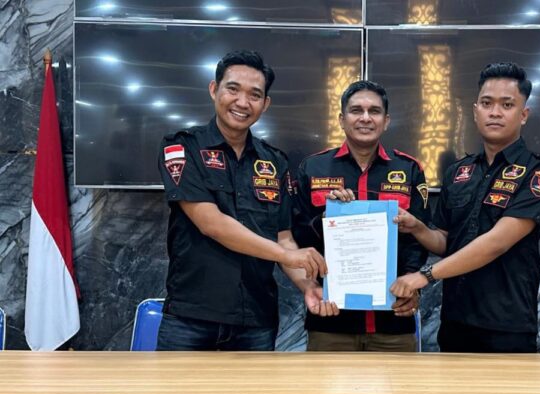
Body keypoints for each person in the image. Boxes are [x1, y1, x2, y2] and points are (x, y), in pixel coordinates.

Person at [156, 50, 328, 351]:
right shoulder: (183, 147)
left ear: (265, 104)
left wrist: (308, 286)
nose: (242, 102)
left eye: (254, 95)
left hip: (256, 321)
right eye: (233, 89)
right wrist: (285, 255)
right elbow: (211, 223)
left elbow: (284, 238)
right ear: (214, 90)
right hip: (191, 319)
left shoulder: (274, 162)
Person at [390, 62, 540, 353]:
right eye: (487, 103)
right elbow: (446, 242)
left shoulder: (539, 175)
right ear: (475, 111)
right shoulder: (458, 172)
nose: (495, 112)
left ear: (523, 115)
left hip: (507, 325)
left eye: (507, 104)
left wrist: (425, 275)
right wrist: (417, 227)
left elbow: (496, 243)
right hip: (455, 321)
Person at [292, 80, 429, 351]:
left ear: (386, 121)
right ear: (342, 119)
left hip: (394, 320)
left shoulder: (409, 169)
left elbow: (418, 238)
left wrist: (413, 287)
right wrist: (326, 217)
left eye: (374, 111)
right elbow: (297, 236)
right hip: (330, 319)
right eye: (356, 110)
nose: (365, 118)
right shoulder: (313, 168)